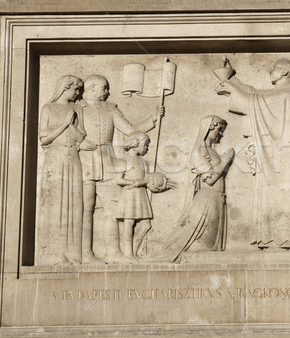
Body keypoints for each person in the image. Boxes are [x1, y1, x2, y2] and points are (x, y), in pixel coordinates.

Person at [217, 58, 290, 249]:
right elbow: (256, 95)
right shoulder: (280, 91)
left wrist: (232, 90)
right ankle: (271, 239)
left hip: (281, 156)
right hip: (270, 152)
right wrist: (232, 79)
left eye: (275, 69)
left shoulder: (289, 91)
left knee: (281, 193)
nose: (271, 71)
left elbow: (257, 103)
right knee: (270, 193)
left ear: (285, 72)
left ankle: (287, 239)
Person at [78, 74, 163, 264]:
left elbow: (130, 129)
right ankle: (85, 253)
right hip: (84, 162)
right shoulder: (77, 108)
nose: (108, 92)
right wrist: (79, 143)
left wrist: (152, 119)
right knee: (86, 209)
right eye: (104, 87)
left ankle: (113, 252)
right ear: (92, 88)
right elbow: (69, 133)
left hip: (108, 162)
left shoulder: (110, 109)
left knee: (112, 209)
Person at [154, 116, 234, 262]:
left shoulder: (211, 151)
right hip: (207, 200)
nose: (221, 134)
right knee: (204, 246)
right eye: (219, 130)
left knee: (212, 247)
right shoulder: (199, 151)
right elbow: (210, 179)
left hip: (217, 198)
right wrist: (225, 161)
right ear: (210, 128)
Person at [36, 75, 86, 265]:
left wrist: (71, 126)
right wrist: (64, 124)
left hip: (73, 157)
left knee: (73, 202)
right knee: (55, 202)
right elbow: (45, 139)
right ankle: (53, 253)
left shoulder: (77, 109)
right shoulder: (48, 108)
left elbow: (81, 136)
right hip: (55, 158)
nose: (78, 94)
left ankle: (72, 253)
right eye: (76, 90)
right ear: (66, 87)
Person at [115, 132, 174, 263]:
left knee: (146, 224)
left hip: (141, 194)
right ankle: (127, 254)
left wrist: (159, 183)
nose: (147, 148)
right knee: (129, 223)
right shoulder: (123, 160)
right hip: (129, 194)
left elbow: (148, 179)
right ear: (135, 144)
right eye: (145, 145)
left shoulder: (144, 162)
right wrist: (132, 182)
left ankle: (134, 251)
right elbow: (118, 180)